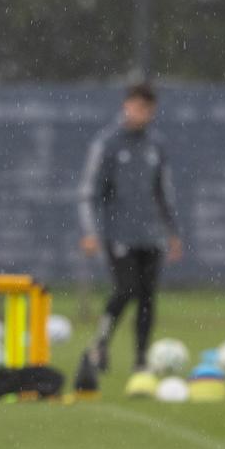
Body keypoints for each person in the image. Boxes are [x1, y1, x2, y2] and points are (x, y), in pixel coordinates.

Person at [78, 82, 182, 374]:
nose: (140, 113)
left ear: (153, 111)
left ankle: (141, 359)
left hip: (152, 236)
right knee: (126, 289)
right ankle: (100, 343)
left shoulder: (156, 145)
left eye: (146, 108)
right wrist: (89, 232)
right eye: (136, 106)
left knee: (148, 297)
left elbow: (164, 191)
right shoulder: (108, 143)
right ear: (126, 105)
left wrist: (172, 232)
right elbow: (89, 193)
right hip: (119, 235)